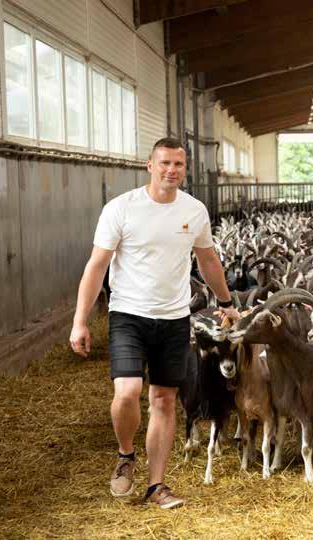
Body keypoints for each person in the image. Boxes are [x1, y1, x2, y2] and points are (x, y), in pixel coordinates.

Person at [69, 138, 240, 509]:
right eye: (165, 163)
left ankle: (156, 485)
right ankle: (125, 454)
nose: (171, 170)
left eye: (178, 164)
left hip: (174, 318)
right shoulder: (122, 208)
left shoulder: (194, 210)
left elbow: (208, 260)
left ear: (185, 169)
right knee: (127, 392)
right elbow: (96, 266)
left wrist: (227, 303)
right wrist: (80, 321)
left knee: (164, 400)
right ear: (150, 165)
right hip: (128, 315)